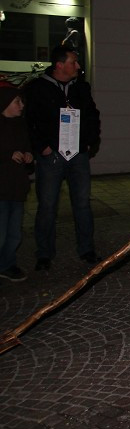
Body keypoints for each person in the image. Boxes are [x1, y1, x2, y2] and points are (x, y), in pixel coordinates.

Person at [25, 45, 101, 271]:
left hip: (78, 154)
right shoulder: (39, 88)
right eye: (73, 62)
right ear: (60, 65)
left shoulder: (81, 88)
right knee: (47, 205)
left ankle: (87, 249)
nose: (78, 66)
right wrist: (42, 147)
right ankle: (44, 253)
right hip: (52, 156)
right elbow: (29, 121)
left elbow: (92, 116)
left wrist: (89, 141)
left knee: (82, 203)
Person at [0, 84, 33, 282]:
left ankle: (7, 264)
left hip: (17, 188)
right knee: (1, 232)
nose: (21, 105)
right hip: (2, 189)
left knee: (14, 233)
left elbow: (27, 147)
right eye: (17, 102)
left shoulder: (21, 125)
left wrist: (29, 156)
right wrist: (7, 155)